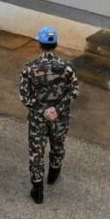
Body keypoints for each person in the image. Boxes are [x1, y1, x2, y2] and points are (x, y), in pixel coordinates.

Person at [19, 29, 79, 203]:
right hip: (60, 118)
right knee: (58, 144)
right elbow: (74, 92)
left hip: (38, 119)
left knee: (36, 152)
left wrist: (42, 110)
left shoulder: (29, 68)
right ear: (56, 45)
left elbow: (25, 97)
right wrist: (57, 110)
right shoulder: (67, 67)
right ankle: (53, 174)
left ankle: (37, 190)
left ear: (39, 45)